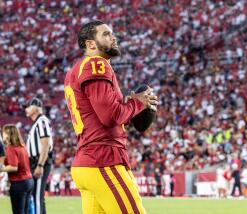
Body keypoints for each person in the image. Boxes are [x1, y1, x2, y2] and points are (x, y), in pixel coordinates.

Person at [64, 20, 158, 214]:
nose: (113, 37)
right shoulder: (96, 64)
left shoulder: (77, 70)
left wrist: (129, 107)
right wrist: (138, 103)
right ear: (90, 44)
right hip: (103, 160)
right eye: (106, 34)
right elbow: (110, 116)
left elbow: (104, 115)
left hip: (88, 162)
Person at [24, 97, 54, 214]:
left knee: (36, 197)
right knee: (37, 197)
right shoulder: (37, 122)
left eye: (28, 106)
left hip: (39, 162)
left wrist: (40, 165)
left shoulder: (41, 121)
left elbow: (45, 144)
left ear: (36, 108)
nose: (26, 109)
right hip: (35, 162)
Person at [0, 124, 33, 214]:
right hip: (28, 181)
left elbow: (14, 167)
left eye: (3, 132)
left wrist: (1, 169)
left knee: (18, 212)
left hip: (19, 183)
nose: (2, 134)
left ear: (8, 134)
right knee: (25, 211)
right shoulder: (22, 146)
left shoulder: (11, 148)